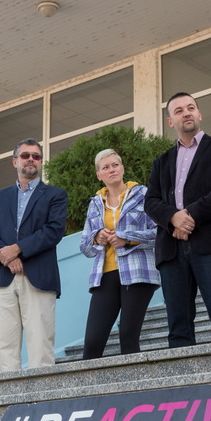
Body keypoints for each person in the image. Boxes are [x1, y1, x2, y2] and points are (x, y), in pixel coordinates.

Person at [145, 92, 211, 347]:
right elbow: (151, 201)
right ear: (171, 122)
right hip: (171, 250)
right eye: (179, 110)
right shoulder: (161, 162)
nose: (186, 113)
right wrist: (173, 218)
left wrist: (188, 217)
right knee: (178, 328)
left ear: (199, 114)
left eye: (191, 108)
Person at [0, 138, 68, 371]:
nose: (31, 159)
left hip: (39, 277)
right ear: (15, 161)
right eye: (25, 155)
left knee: (41, 345)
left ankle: (41, 394)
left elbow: (53, 231)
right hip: (3, 278)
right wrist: (8, 258)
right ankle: (10, 395)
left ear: (41, 162)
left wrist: (17, 249)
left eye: (36, 156)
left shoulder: (55, 195)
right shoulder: (0, 197)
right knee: (6, 347)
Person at [79, 149, 160, 359]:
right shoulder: (95, 203)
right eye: (105, 167)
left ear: (122, 168)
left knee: (128, 335)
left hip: (138, 273)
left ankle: (134, 381)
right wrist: (97, 237)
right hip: (104, 276)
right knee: (92, 342)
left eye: (115, 165)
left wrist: (127, 238)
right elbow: (84, 246)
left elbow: (160, 232)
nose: (111, 170)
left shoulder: (143, 195)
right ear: (99, 175)